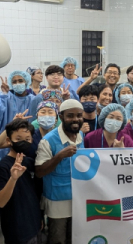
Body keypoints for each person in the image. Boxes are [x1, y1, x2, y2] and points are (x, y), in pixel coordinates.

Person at [35, 99, 85, 244]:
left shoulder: (81, 136)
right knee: (58, 238)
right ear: (61, 117)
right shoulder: (48, 141)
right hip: (57, 200)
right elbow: (39, 172)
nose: (75, 119)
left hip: (78, 198)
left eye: (79, 115)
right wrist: (59, 156)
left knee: (74, 237)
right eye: (70, 115)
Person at [0, 119, 42, 244]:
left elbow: (35, 194)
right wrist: (13, 178)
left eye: (27, 139)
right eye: (19, 138)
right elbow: (0, 202)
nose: (23, 142)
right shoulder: (3, 167)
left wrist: (39, 219)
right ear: (9, 141)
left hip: (35, 225)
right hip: (16, 230)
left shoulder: (30, 162)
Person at [0, 70, 37, 161]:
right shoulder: (4, 96)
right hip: (4, 142)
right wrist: (3, 94)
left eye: (20, 81)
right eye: (14, 82)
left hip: (25, 142)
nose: (17, 83)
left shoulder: (33, 100)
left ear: (26, 82)